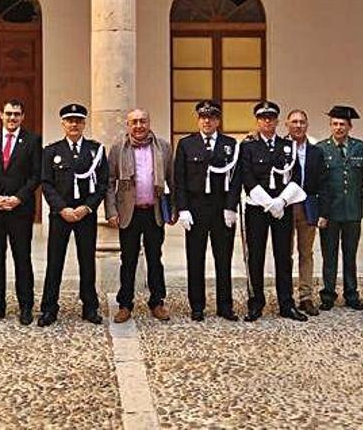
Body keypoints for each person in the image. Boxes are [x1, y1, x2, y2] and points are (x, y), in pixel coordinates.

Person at [39, 103, 108, 326]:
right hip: (61, 215)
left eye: (78, 121)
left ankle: (90, 307)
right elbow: (47, 184)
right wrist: (62, 209)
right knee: (54, 262)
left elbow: (102, 183)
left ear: (84, 123)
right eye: (70, 120)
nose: (74, 124)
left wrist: (87, 208)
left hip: (85, 214)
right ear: (63, 124)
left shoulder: (95, 150)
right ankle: (49, 308)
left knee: (86, 261)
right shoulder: (52, 151)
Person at [240, 100, 308, 322]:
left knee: (283, 256)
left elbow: (297, 176)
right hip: (257, 207)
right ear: (257, 121)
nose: (267, 121)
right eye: (262, 118)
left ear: (278, 121)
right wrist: (268, 202)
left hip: (282, 208)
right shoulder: (248, 146)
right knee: (256, 255)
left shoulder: (288, 146)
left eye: (271, 118)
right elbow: (246, 176)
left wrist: (282, 201)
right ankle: (256, 303)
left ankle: (286, 304)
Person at [173, 100, 241, 321]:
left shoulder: (230, 144)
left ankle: (225, 305)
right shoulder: (186, 144)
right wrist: (183, 209)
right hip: (196, 208)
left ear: (218, 121)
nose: (207, 121)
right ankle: (197, 305)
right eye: (203, 117)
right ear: (198, 120)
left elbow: (235, 179)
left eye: (211, 117)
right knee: (195, 258)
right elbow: (179, 180)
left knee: (224, 259)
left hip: (221, 209)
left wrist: (231, 207)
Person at [105, 109, 174, 323]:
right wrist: (111, 211)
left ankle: (157, 302)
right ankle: (125, 304)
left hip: (153, 211)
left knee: (155, 259)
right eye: (134, 122)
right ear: (128, 125)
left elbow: (173, 179)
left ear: (149, 122)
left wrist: (174, 208)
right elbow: (109, 182)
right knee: (128, 260)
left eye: (143, 121)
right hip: (129, 212)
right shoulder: (118, 148)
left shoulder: (163, 147)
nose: (138, 125)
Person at [0, 99, 42, 327]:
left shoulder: (33, 140)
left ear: (23, 117)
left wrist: (18, 198)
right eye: (8, 114)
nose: (12, 118)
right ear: (0, 115)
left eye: (16, 114)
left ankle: (25, 306)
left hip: (20, 210)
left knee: (22, 258)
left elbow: (36, 175)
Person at [316, 105, 363, 311]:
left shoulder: (359, 147)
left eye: (343, 125)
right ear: (330, 126)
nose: (339, 128)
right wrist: (322, 211)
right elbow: (320, 181)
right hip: (330, 211)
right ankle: (328, 294)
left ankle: (351, 293)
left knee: (350, 254)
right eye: (335, 124)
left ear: (350, 126)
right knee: (329, 254)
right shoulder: (321, 149)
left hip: (353, 209)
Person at [285, 109, 326, 316]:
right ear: (287, 125)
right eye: (294, 122)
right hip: (284, 207)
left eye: (302, 122)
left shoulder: (316, 152)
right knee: (285, 253)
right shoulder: (280, 148)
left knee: (306, 253)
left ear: (307, 125)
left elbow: (322, 183)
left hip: (308, 206)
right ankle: (286, 296)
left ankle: (306, 296)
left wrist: (322, 212)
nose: (298, 125)